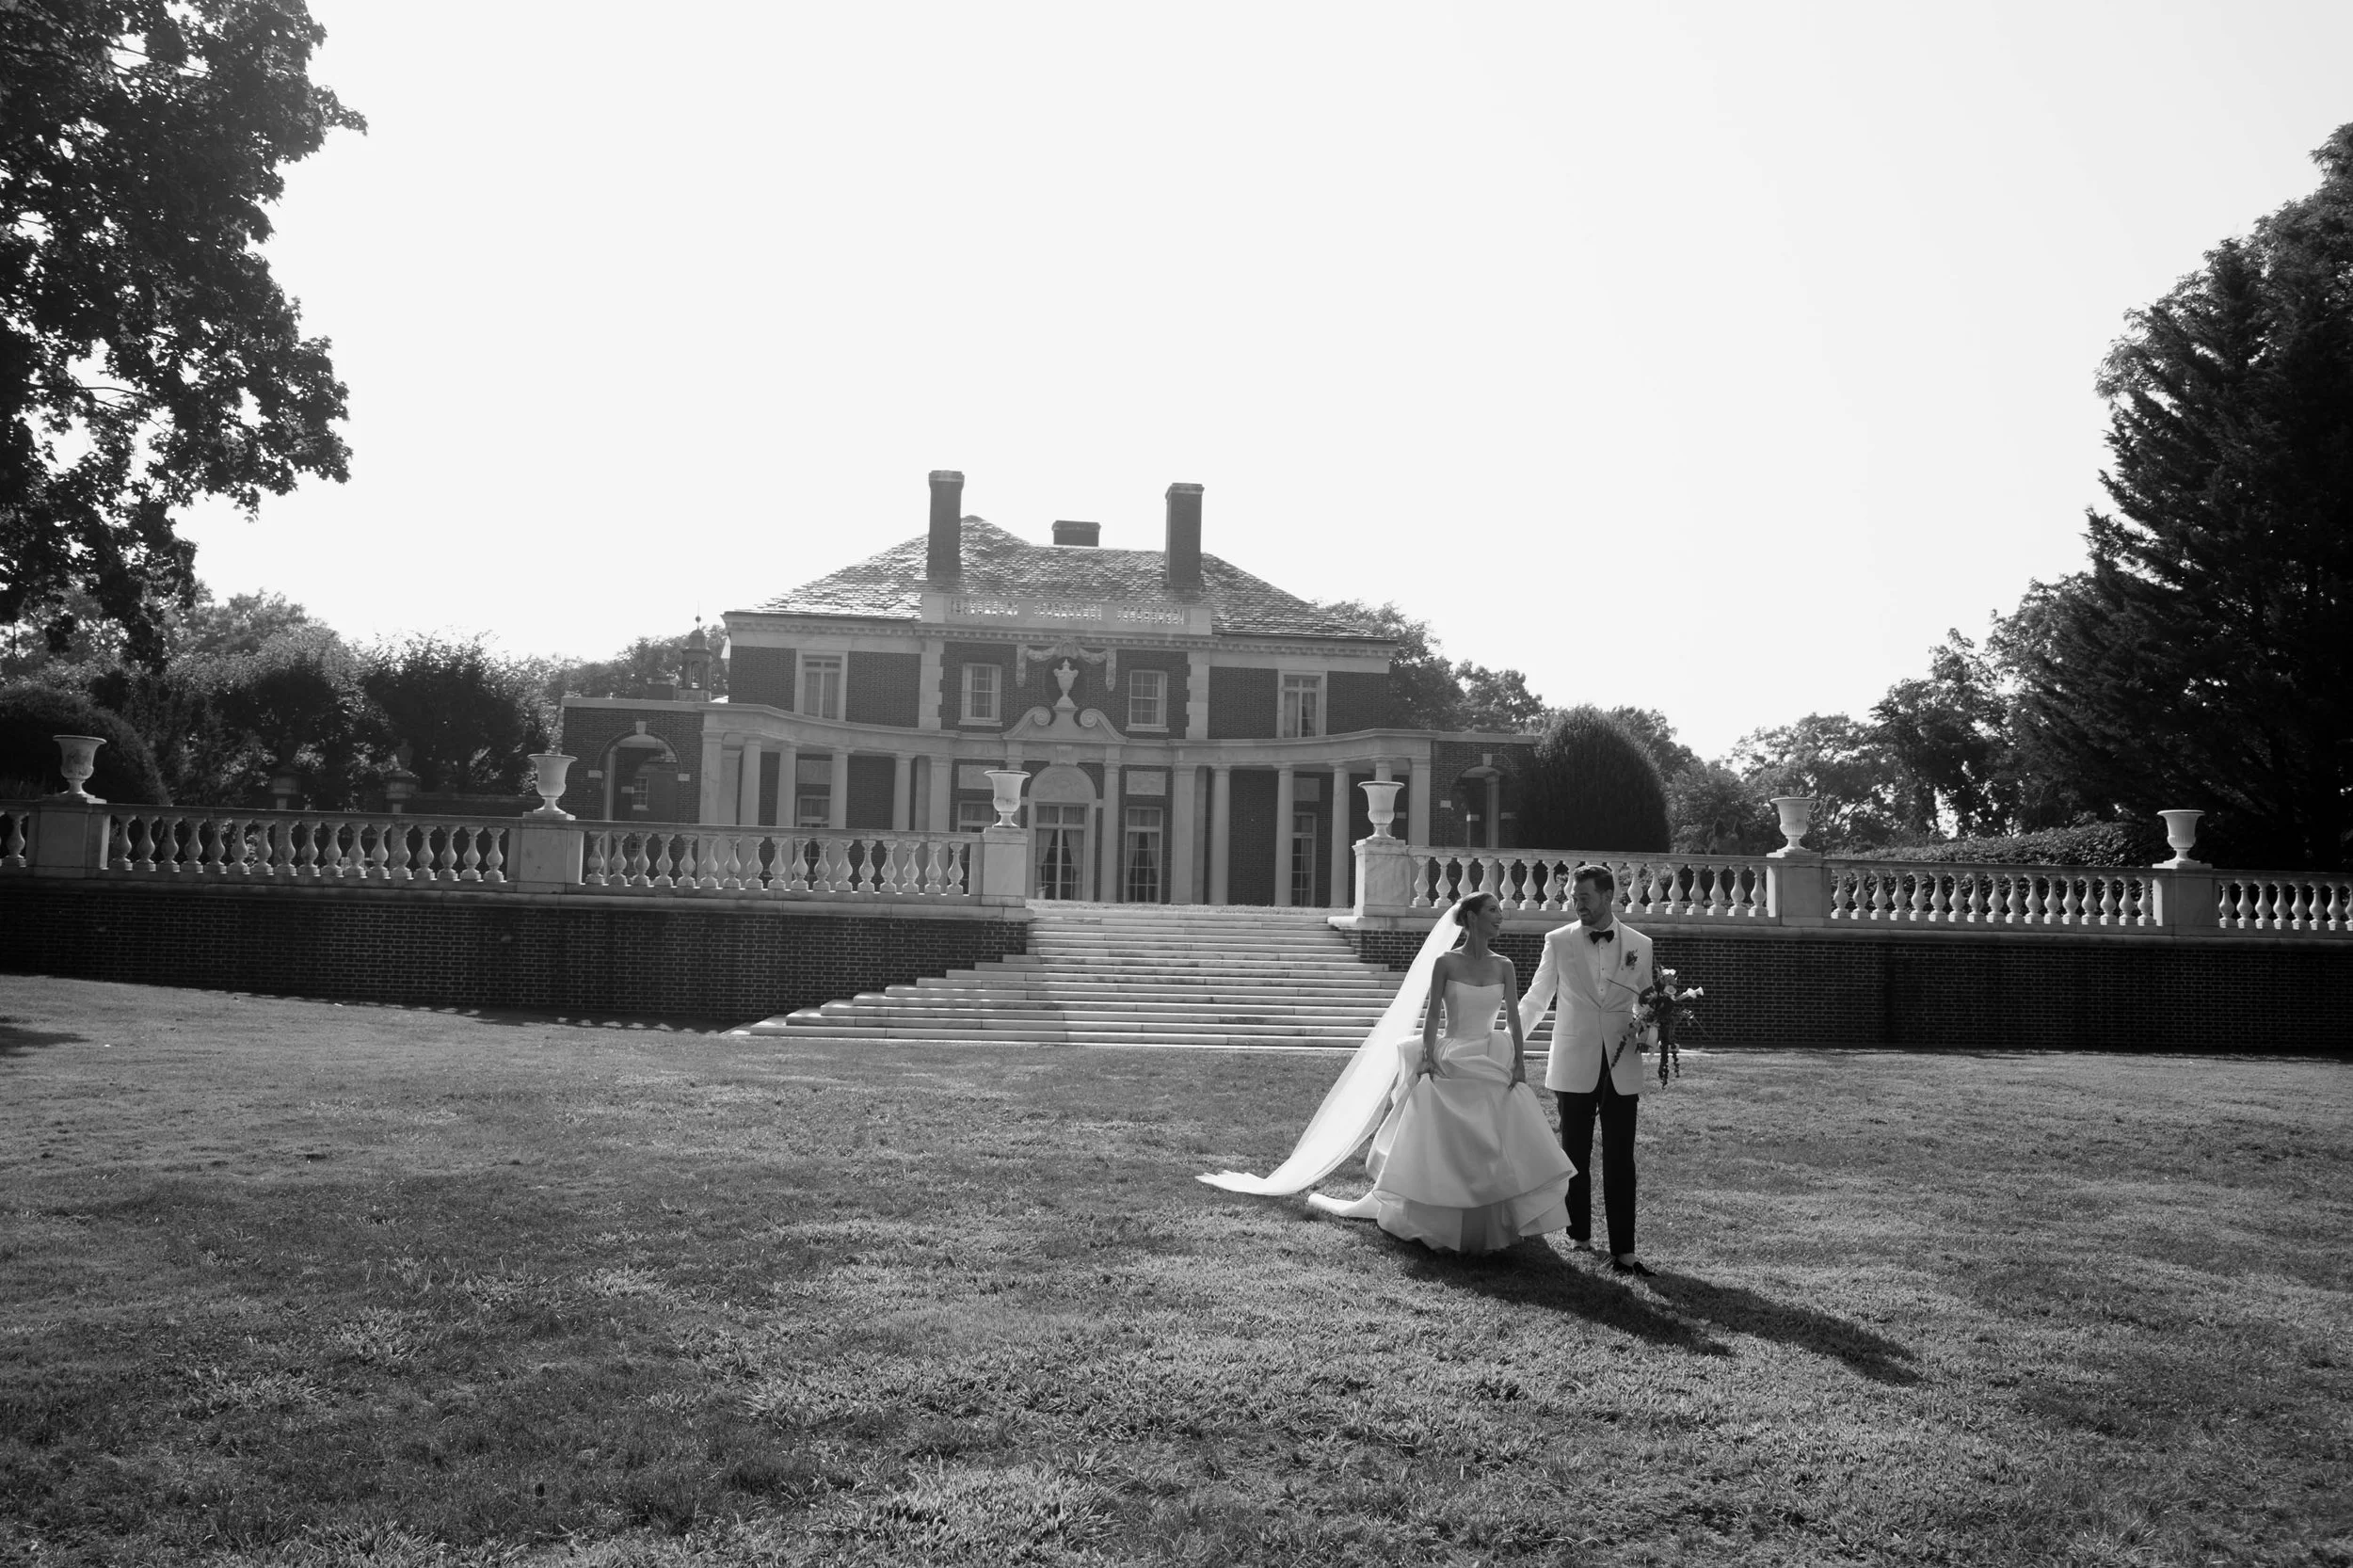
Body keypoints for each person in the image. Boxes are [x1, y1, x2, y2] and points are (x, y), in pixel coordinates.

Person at [1199, 893, 1574, 1256]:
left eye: (1500, 910)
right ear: (1472, 917)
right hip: (1452, 1055)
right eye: (1493, 909)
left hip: (1490, 1059)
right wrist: (1428, 1057)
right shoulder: (1445, 962)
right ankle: (1438, 1222)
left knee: (1491, 1139)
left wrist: (1519, 1061)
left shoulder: (1504, 965)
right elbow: (1431, 1017)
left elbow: (1511, 1017)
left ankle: (1489, 1225)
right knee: (1448, 1139)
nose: (1500, 915)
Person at [1518, 863, 1657, 1274]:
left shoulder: (1639, 943)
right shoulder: (1557, 941)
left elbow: (1646, 999)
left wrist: (1649, 1029)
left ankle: (1625, 1252)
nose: (1577, 905)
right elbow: (1538, 997)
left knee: (1620, 1157)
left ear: (1607, 896)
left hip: (1621, 1062)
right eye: (1573, 898)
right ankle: (1579, 1236)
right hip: (1573, 1058)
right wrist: (1506, 1040)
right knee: (1573, 1153)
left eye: (1585, 898)